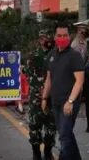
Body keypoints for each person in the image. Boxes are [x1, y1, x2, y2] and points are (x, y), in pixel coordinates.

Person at [42, 22, 85, 160]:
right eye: (59, 35)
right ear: (54, 37)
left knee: (64, 136)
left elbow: (79, 81)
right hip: (56, 102)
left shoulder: (74, 55)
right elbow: (49, 79)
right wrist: (44, 99)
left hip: (69, 102)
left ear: (70, 36)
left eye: (65, 35)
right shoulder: (52, 55)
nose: (62, 38)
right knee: (66, 134)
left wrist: (70, 101)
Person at [25, 30, 57, 160]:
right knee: (35, 127)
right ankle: (36, 153)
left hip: (52, 98)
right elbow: (29, 76)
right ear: (40, 40)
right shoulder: (34, 56)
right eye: (44, 38)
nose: (47, 41)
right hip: (36, 98)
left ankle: (48, 151)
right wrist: (40, 88)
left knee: (51, 127)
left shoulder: (56, 55)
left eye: (49, 38)